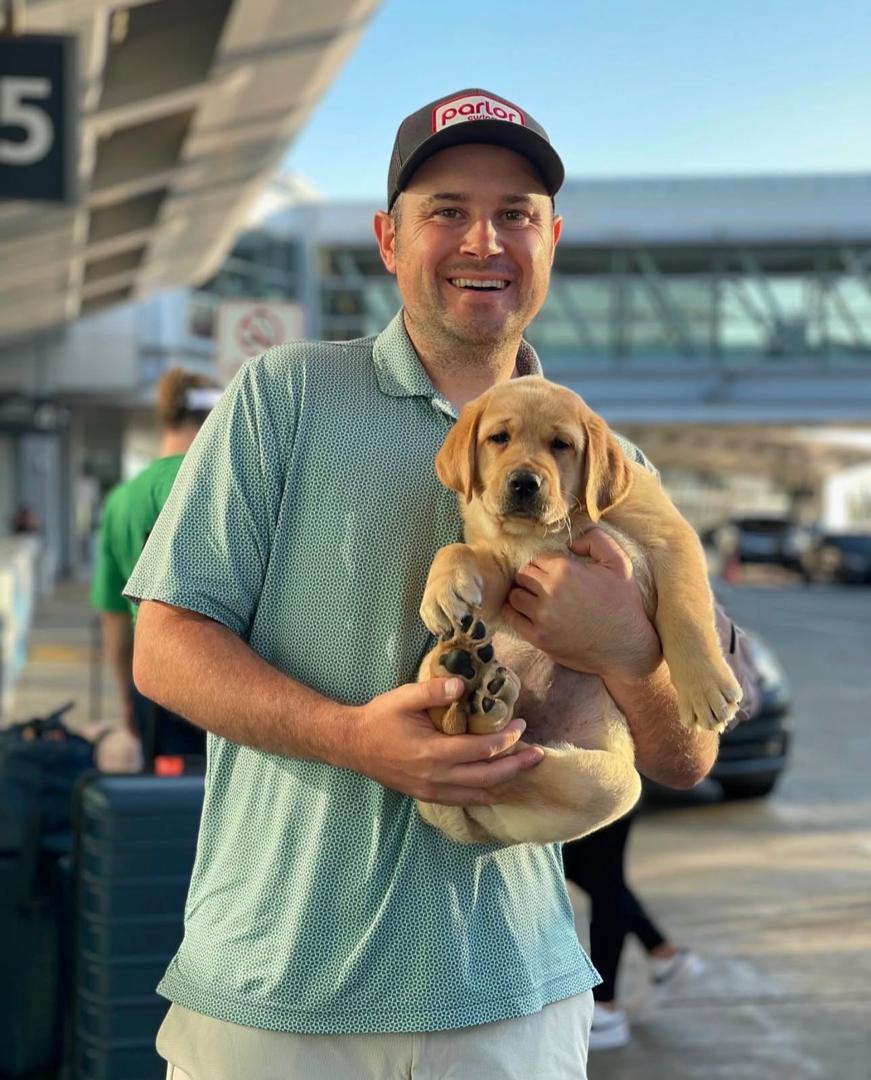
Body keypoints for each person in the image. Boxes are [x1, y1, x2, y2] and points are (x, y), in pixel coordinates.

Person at [126, 88, 755, 1080]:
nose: (483, 239)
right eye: (446, 210)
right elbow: (163, 647)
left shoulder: (611, 464)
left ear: (553, 239)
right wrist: (353, 741)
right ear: (388, 238)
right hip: (277, 987)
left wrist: (625, 647)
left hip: (512, 993)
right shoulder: (284, 396)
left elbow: (686, 758)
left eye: (515, 214)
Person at [565, 606, 763, 1050]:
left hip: (619, 746)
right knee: (584, 868)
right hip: (601, 738)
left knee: (601, 874)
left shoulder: (636, 554)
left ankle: (607, 1005)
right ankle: (662, 954)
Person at [90, 368, 221, 764]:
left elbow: (113, 617)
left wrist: (128, 697)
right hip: (217, 681)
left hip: (152, 688)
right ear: (212, 416)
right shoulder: (209, 482)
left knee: (164, 807)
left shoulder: (121, 500)